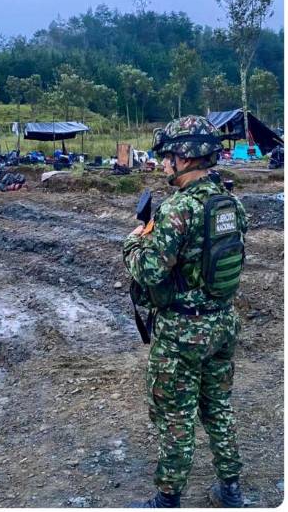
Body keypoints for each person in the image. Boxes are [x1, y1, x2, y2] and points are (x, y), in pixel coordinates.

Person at [123, 116, 248, 508]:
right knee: (218, 407)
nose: (163, 166)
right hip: (223, 322)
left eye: (167, 159)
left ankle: (167, 498)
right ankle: (230, 488)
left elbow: (149, 270)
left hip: (182, 332)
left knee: (175, 416)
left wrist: (132, 243)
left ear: (185, 158)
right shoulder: (231, 203)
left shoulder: (177, 209)